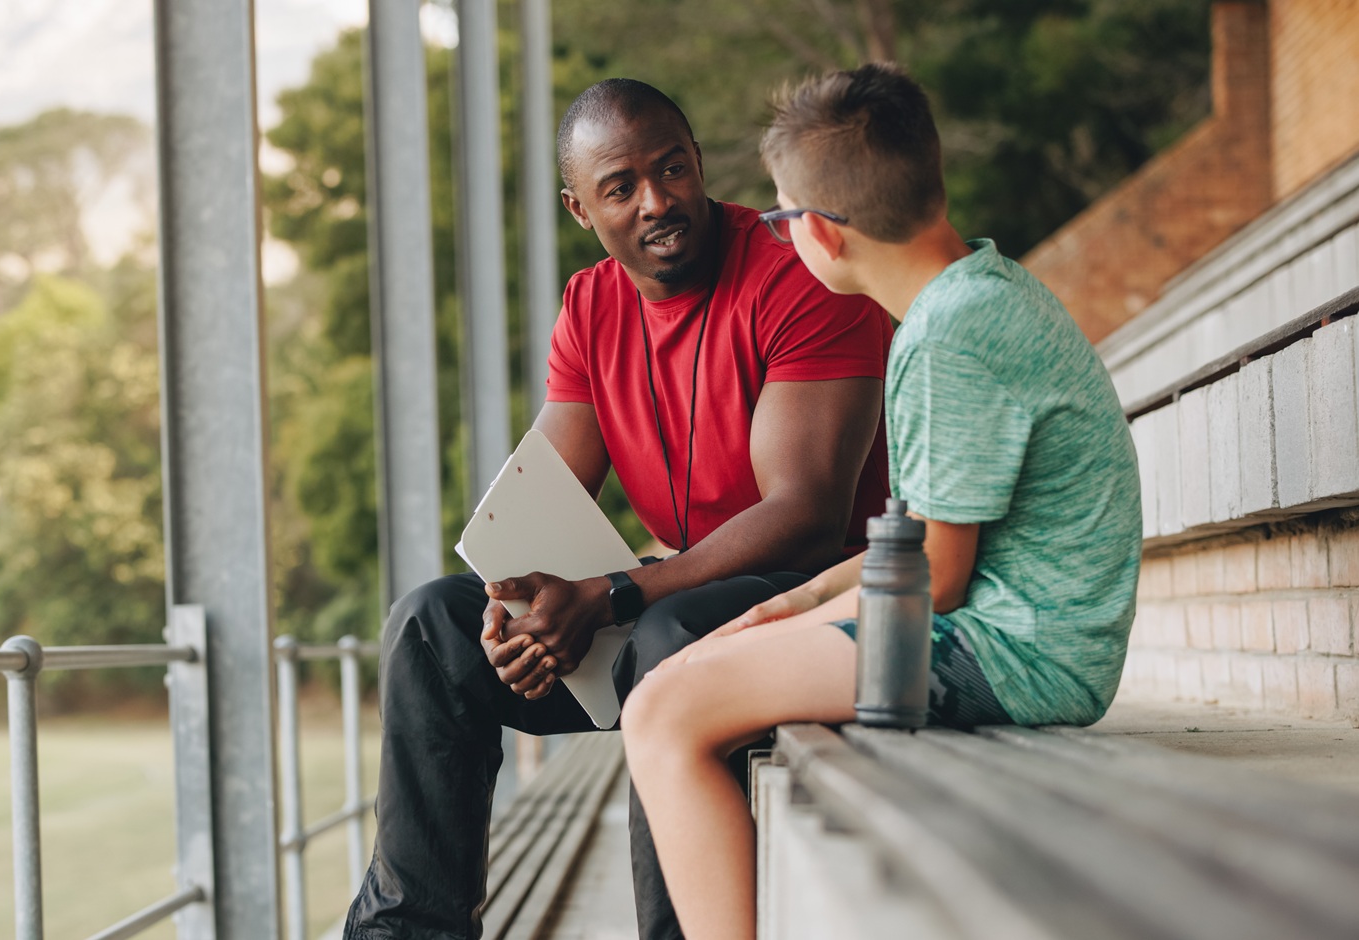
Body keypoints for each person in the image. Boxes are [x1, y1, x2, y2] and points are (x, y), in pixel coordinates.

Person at [343, 78, 894, 940]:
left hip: (823, 604)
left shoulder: (797, 272)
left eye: (672, 169)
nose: (658, 200)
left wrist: (611, 594)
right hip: (674, 596)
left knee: (676, 645)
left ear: (699, 163)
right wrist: (512, 611)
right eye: (621, 187)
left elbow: (807, 515)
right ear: (579, 208)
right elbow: (538, 513)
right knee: (429, 628)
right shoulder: (590, 306)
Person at [620, 64, 1143, 940]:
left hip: (1018, 654)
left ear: (820, 233)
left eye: (783, 220)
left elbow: (934, 581)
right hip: (1015, 633)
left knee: (662, 712)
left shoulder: (950, 337)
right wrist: (785, 607)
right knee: (684, 676)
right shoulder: (975, 292)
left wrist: (752, 641)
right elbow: (920, 546)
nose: (782, 239)